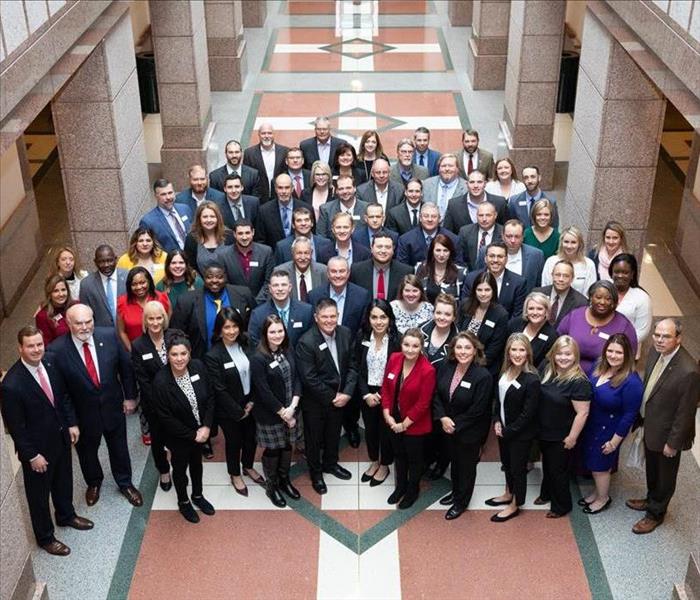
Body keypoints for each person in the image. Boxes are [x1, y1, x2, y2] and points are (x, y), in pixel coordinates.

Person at [1, 326, 92, 556]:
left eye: (39, 344)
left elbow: (62, 398)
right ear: (20, 348)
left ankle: (66, 516)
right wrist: (32, 455)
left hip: (61, 438)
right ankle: (45, 537)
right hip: (38, 451)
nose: (36, 349)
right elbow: (16, 428)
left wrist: (71, 423)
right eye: (30, 346)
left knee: (64, 481)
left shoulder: (51, 364)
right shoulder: (11, 385)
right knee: (39, 497)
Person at [47, 304, 142, 507]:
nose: (84, 327)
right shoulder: (57, 350)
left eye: (88, 321)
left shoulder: (109, 336)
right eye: (79, 323)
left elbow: (126, 368)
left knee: (119, 448)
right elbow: (60, 392)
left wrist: (130, 397)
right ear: (68, 323)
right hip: (83, 415)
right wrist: (71, 422)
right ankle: (94, 483)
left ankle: (125, 483)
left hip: (113, 407)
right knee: (87, 453)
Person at [627, 319, 700, 534]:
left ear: (678, 338)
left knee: (665, 476)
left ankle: (655, 514)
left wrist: (673, 443)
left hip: (668, 434)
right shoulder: (654, 353)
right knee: (652, 469)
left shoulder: (689, 371)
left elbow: (686, 412)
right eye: (657, 335)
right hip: (651, 425)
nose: (659, 340)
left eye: (666, 336)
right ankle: (650, 499)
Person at [296, 299, 358, 494]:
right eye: (325, 317)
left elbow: (353, 366)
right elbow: (309, 379)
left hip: (341, 398)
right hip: (316, 401)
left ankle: (331, 464)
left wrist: (347, 393)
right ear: (316, 317)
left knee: (333, 434)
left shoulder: (346, 333)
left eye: (333, 316)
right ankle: (316, 474)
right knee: (314, 439)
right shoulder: (306, 342)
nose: (329, 320)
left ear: (338, 316)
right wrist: (334, 397)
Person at [152, 330, 215, 523]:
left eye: (183, 354)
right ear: (167, 355)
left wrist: (206, 427)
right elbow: (165, 418)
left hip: (200, 431)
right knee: (180, 470)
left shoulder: (198, 367)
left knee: (197, 465)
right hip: (178, 436)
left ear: (189, 353)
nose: (179, 359)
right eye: (174, 354)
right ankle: (183, 501)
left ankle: (197, 495)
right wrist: (192, 434)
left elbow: (211, 398)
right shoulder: (161, 381)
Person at [580, 334, 642, 514]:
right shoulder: (598, 366)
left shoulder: (631, 382)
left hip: (610, 429)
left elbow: (629, 415)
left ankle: (603, 498)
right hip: (593, 424)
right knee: (593, 462)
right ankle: (597, 492)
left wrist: (614, 442)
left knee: (601, 467)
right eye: (610, 351)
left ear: (627, 355)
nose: (613, 355)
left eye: (619, 353)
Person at [205, 308, 264, 496]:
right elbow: (219, 389)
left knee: (251, 437)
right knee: (234, 441)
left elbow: (257, 374)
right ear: (219, 330)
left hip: (250, 402)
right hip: (229, 409)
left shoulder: (247, 344)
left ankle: (248, 465)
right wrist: (238, 412)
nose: (231, 331)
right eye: (226, 327)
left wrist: (253, 401)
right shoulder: (213, 355)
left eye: (235, 326)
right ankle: (235, 473)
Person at [433, 331, 492, 520]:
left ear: (475, 350)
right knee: (454, 463)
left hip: (469, 431)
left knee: (466, 467)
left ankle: (461, 502)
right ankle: (455, 492)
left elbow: (479, 410)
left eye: (467, 347)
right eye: (459, 347)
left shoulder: (483, 376)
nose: (463, 351)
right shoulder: (445, 366)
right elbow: (435, 394)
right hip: (447, 427)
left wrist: (455, 424)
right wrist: (442, 418)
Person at [535, 336, 591, 518]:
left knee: (558, 471)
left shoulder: (579, 382)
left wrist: (572, 438)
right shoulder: (547, 369)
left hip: (562, 435)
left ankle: (561, 506)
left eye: (568, 354)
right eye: (559, 353)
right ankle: (546, 494)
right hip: (544, 430)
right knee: (548, 464)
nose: (563, 358)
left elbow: (582, 413)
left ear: (575, 356)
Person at [250, 315, 303, 507]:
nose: (277, 335)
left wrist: (293, 407)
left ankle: (284, 479)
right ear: (265, 334)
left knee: (287, 445)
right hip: (271, 415)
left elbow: (297, 377)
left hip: (292, 409)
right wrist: (283, 413)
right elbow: (263, 391)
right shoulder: (258, 358)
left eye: (280, 331)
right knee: (273, 449)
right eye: (272, 331)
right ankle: (271, 487)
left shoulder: (288, 349)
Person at [381, 328, 436, 509]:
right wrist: (387, 413)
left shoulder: (428, 370)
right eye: (406, 345)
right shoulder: (395, 358)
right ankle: (400, 487)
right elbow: (386, 388)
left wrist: (404, 425)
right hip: (393, 419)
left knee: (414, 459)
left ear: (421, 347)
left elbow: (423, 403)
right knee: (399, 455)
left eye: (415, 346)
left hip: (414, 424)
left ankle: (412, 491)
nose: (410, 350)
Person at [488, 333, 541, 522]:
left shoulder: (531, 379)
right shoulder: (505, 373)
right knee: (507, 465)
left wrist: (508, 431)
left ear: (528, 352)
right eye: (513, 349)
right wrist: (496, 421)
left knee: (518, 469)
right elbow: (498, 401)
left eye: (521, 350)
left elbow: (529, 414)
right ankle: (508, 493)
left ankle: (515, 504)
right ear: (508, 352)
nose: (517, 354)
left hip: (519, 434)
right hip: (503, 430)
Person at [170, 262, 255, 359]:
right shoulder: (187, 301)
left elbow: (253, 324)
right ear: (203, 278)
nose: (214, 280)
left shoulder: (243, 294)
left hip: (239, 357)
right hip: (202, 360)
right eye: (209, 277)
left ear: (226, 277)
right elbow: (176, 333)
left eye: (219, 277)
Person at [355, 300, 399, 486]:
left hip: (389, 394)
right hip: (368, 393)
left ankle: (385, 465)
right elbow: (356, 367)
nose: (379, 321)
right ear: (368, 318)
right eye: (374, 317)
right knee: (370, 431)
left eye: (383, 317)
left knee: (386, 432)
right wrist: (366, 394)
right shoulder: (362, 337)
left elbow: (399, 373)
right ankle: (374, 461)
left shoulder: (397, 341)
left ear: (389, 319)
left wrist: (383, 395)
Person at [131, 301, 173, 491]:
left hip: (178, 400)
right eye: (151, 318)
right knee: (158, 439)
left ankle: (179, 468)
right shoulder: (139, 345)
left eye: (158, 318)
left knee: (179, 437)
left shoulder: (174, 337)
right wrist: (162, 402)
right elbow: (143, 380)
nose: (155, 322)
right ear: (145, 321)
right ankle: (163, 470)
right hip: (154, 404)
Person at [558, 280, 638, 374]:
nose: (602, 302)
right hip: (569, 375)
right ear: (591, 298)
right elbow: (557, 343)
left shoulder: (624, 326)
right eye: (598, 297)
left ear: (614, 301)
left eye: (608, 299)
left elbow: (629, 360)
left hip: (604, 381)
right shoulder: (574, 316)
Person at [421, 294, 460, 480]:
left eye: (447, 314)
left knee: (442, 433)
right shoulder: (421, 331)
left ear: (454, 316)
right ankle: (427, 457)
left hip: (444, 394)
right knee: (425, 430)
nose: (442, 317)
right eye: (438, 313)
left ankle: (442, 461)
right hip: (421, 391)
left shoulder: (458, 341)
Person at [459, 271, 509, 378]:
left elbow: (494, 349)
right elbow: (457, 333)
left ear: (493, 291)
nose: (483, 294)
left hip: (484, 368)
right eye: (479, 290)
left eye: (487, 290)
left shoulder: (501, 314)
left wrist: (473, 366)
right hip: (460, 360)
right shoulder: (465, 305)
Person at [247, 270, 314, 347]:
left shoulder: (306, 311)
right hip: (270, 358)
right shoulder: (258, 315)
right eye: (276, 285)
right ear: (270, 289)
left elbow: (311, 341)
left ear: (290, 287)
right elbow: (254, 343)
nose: (280, 289)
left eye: (284, 285)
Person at [462, 241, 528, 319]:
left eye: (500, 256)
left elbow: (516, 316)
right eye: (492, 256)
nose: (495, 260)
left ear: (506, 259)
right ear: (485, 259)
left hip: (505, 329)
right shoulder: (471, 278)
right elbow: (465, 308)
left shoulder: (518, 283)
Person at [117, 267, 171, 352]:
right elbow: (121, 332)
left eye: (142, 283)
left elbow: (168, 324)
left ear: (149, 281)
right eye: (134, 284)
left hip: (161, 351)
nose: (139, 287)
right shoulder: (122, 302)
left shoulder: (162, 298)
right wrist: (133, 352)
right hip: (136, 352)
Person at [221, 219, 274, 303]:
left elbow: (269, 281)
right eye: (240, 233)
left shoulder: (266, 252)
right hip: (235, 303)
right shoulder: (224, 255)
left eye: (247, 233)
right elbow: (225, 283)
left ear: (253, 232)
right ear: (234, 234)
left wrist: (256, 302)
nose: (244, 237)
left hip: (261, 303)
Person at [255, 174, 314, 248]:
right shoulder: (264, 211)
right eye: (280, 188)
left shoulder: (306, 208)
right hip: (275, 257)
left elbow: (312, 236)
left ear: (292, 188)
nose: (284, 191)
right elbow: (261, 241)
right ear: (275, 189)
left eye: (287, 187)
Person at [609, 253, 653, 353]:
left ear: (632, 274)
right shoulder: (603, 289)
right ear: (611, 272)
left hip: (626, 349)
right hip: (599, 345)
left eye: (625, 272)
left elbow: (642, 331)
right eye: (616, 272)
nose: (620, 276)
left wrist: (618, 345)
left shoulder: (642, 298)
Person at [350, 233, 413, 301]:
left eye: (388, 247)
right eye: (379, 247)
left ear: (393, 250)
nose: (383, 251)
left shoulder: (405, 272)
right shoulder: (356, 270)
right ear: (371, 248)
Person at [397, 202, 461, 267]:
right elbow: (402, 268)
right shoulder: (405, 240)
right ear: (420, 218)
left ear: (439, 219)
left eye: (433, 216)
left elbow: (459, 266)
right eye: (426, 216)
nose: (430, 219)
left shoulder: (453, 239)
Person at [139, 179, 194, 253]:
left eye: (170, 193)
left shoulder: (185, 209)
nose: (168, 197)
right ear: (156, 196)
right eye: (163, 194)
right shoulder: (148, 221)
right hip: (169, 262)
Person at [79, 245, 128, 328]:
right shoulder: (86, 284)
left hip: (128, 332)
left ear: (115, 259)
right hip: (102, 334)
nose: (106, 265)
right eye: (101, 262)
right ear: (95, 262)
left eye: (110, 260)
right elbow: (86, 313)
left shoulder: (128, 276)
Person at [542, 226, 597, 296]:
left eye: (573, 242)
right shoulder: (551, 262)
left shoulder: (589, 264)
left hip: (579, 305)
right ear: (561, 242)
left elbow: (589, 293)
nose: (569, 246)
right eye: (566, 242)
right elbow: (545, 289)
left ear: (580, 244)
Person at [184, 201, 234, 277]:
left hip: (228, 284)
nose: (209, 220)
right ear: (199, 219)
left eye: (212, 216)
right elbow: (190, 266)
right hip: (202, 285)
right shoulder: (192, 239)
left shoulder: (229, 236)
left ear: (218, 218)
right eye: (205, 217)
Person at [507, 291, 558, 367]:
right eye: (531, 308)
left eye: (539, 309)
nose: (535, 312)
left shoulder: (551, 336)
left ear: (546, 311)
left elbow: (545, 366)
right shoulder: (514, 324)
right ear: (526, 310)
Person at [533, 259, 588, 329]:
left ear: (572, 278)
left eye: (566, 276)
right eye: (557, 275)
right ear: (552, 275)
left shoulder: (581, 302)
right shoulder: (537, 293)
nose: (561, 279)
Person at [243, 122, 288, 202]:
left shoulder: (284, 151)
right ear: (259, 135)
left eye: (269, 133)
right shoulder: (249, 153)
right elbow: (247, 177)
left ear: (273, 134)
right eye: (263, 133)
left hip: (280, 197)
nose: (266, 136)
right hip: (258, 198)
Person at [415, 234, 468, 303]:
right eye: (438, 250)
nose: (441, 254)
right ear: (432, 251)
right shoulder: (420, 268)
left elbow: (461, 302)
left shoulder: (461, 273)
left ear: (450, 252)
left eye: (445, 250)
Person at [277, 236, 328, 302]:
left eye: (306, 253)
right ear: (292, 253)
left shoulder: (323, 271)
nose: (303, 257)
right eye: (299, 253)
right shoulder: (281, 271)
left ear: (311, 253)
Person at [317, 174, 368, 240]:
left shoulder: (367, 208)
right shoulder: (326, 209)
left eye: (348, 188)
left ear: (354, 188)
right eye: (341, 189)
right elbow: (321, 237)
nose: (345, 191)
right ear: (336, 191)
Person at [457, 200, 504, 271]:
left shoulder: (503, 232)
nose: (484, 219)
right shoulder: (465, 232)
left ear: (495, 215)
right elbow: (460, 258)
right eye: (481, 215)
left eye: (488, 215)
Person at [502, 219, 545, 294]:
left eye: (517, 237)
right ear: (502, 236)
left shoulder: (536, 256)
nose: (512, 240)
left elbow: (539, 286)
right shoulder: (488, 252)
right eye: (509, 236)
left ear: (523, 237)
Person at [423, 154, 468, 221]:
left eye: (450, 166)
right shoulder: (426, 184)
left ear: (457, 169)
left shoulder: (466, 187)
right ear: (438, 168)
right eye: (443, 166)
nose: (447, 169)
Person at [35, 274, 75, 344]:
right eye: (56, 291)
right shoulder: (42, 316)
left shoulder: (76, 306)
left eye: (63, 290)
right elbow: (47, 345)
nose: (61, 294)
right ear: (49, 293)